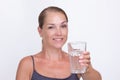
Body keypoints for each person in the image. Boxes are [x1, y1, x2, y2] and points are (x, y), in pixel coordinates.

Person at [16, 6, 102, 80]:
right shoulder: (28, 64)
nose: (59, 33)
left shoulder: (75, 61)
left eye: (63, 26)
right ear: (40, 31)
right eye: (51, 27)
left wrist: (87, 68)